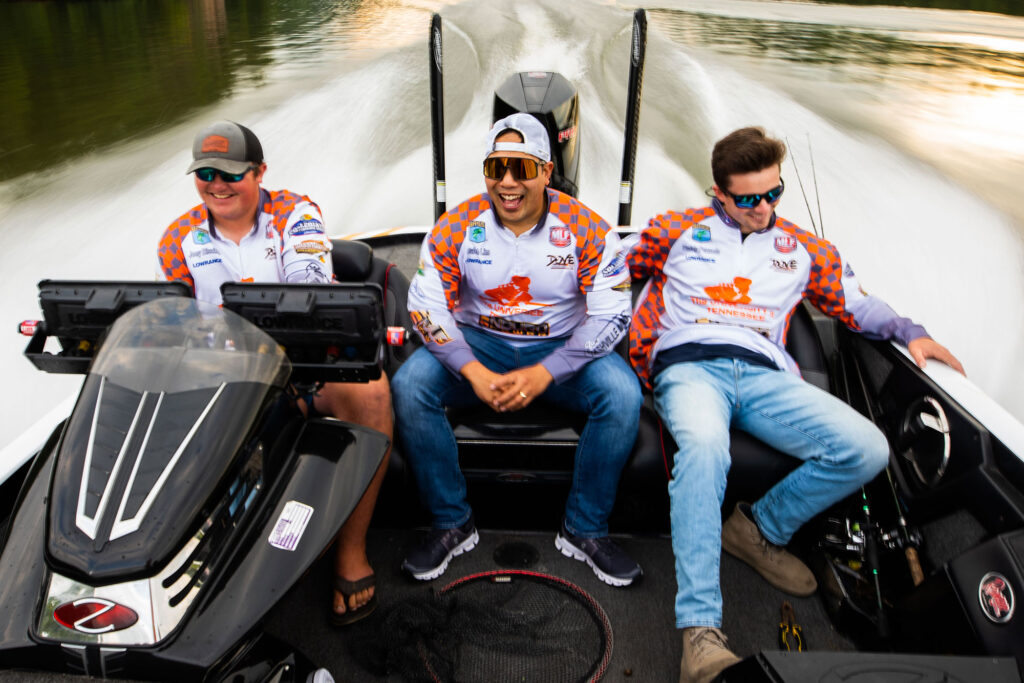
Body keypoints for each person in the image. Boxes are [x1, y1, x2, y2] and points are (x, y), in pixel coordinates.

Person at [627, 127, 964, 683]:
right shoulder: (675, 229)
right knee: (706, 448)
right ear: (718, 193)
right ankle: (700, 637)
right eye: (749, 199)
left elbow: (855, 303)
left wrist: (911, 331)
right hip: (689, 366)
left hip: (763, 376)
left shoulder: (802, 249)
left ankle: (756, 529)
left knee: (867, 448)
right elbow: (610, 266)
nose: (764, 209)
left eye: (773, 193)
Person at [392, 113, 643, 586]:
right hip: (479, 343)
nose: (507, 182)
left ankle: (584, 529)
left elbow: (611, 314)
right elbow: (427, 308)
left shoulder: (588, 229)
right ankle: (452, 522)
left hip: (562, 346)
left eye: (522, 169)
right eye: (496, 168)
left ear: (548, 172)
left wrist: (547, 372)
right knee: (408, 386)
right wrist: (472, 370)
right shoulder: (457, 226)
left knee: (623, 395)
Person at [157, 120, 392, 626]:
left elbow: (310, 283)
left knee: (372, 393)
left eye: (231, 174)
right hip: (228, 372)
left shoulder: (295, 213)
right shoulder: (178, 238)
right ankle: (206, 541)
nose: (217, 185)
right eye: (205, 173)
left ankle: (350, 550)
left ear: (260, 172)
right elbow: (177, 320)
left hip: (306, 365)